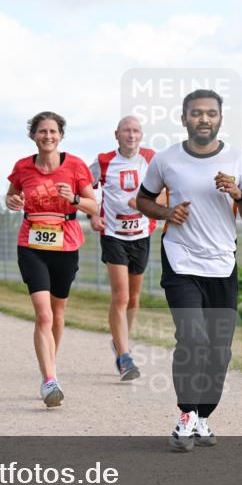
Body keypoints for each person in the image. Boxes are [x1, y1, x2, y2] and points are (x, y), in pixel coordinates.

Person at [136, 89, 242, 451]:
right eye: (196, 113)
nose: (203, 119)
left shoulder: (238, 159)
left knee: (219, 350)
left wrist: (238, 195)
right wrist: (165, 213)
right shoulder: (166, 159)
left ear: (220, 118)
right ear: (184, 118)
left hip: (222, 263)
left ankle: (204, 417)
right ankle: (186, 415)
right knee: (192, 338)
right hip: (181, 259)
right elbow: (143, 199)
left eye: (210, 113)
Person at [6, 111, 96, 408]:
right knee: (43, 314)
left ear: (61, 135)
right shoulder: (22, 167)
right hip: (31, 243)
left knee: (57, 314)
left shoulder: (75, 166)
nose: (47, 136)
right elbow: (11, 197)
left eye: (53, 131)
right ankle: (49, 380)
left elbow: (93, 207)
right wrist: (13, 201)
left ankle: (50, 368)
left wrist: (73, 199)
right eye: (42, 131)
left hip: (66, 244)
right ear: (33, 135)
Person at [88, 116, 163, 381]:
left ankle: (121, 343)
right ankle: (124, 357)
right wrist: (92, 216)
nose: (131, 135)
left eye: (136, 131)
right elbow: (85, 190)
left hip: (141, 234)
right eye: (126, 131)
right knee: (120, 297)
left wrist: (145, 203)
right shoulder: (104, 161)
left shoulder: (151, 158)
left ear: (141, 135)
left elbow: (167, 190)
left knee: (133, 297)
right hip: (113, 234)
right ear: (116, 134)